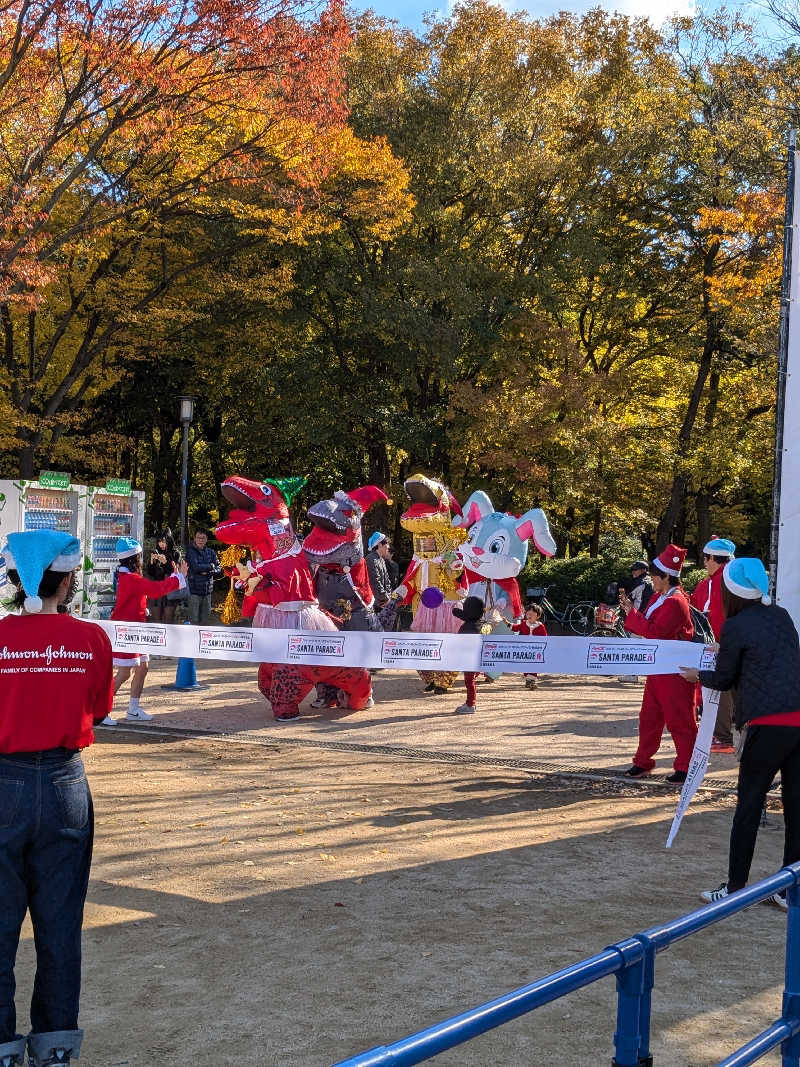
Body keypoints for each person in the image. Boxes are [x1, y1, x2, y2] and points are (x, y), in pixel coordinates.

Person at [0, 530, 114, 1067]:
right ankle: (56, 1046)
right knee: (60, 925)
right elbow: (100, 705)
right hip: (66, 784)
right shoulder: (91, 639)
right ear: (67, 581)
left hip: (2, 784)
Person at [678, 558, 800, 912]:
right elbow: (766, 659)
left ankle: (735, 887)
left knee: (748, 804)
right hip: (798, 720)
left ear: (730, 591)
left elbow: (724, 678)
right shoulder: (781, 617)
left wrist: (697, 675)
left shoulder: (735, 625)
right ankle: (788, 886)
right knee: (795, 806)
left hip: (766, 724)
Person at [619, 544, 696, 784]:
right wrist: (632, 612)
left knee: (679, 719)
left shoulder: (675, 602)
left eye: (654, 575)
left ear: (666, 576)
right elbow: (652, 628)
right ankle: (643, 761)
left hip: (674, 670)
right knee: (649, 717)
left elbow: (656, 632)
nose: (650, 579)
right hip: (660, 666)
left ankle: (685, 765)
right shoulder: (662, 596)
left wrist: (632, 614)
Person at [104, 537, 188, 724]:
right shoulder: (131, 579)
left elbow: (142, 594)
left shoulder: (128, 577)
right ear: (134, 558)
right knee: (125, 672)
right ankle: (102, 710)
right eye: (140, 556)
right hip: (127, 631)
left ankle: (133, 709)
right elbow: (155, 590)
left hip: (136, 629)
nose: (142, 560)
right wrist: (178, 578)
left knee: (142, 668)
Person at [690, 536, 736, 752]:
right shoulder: (738, 579)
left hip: (717, 644)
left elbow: (697, 611)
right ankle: (733, 735)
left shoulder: (710, 584)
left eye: (706, 559)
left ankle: (722, 737)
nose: (705, 563)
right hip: (742, 642)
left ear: (713, 558)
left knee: (720, 689)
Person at [452, 596, 484, 715]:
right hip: (477, 660)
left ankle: (471, 704)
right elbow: (463, 615)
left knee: (469, 681)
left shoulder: (469, 627)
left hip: (469, 659)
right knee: (472, 681)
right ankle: (471, 702)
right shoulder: (478, 623)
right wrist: (455, 610)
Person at [145, 529, 180, 623]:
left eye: (164, 542)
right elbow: (150, 573)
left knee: (168, 618)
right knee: (156, 618)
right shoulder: (156, 552)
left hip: (170, 589)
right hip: (157, 588)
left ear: (169, 541)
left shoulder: (175, 553)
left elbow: (176, 572)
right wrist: (152, 561)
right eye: (160, 541)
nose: (162, 544)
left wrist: (165, 562)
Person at [185, 529, 219, 626]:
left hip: (207, 590)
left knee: (205, 620)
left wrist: (209, 572)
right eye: (198, 538)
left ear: (206, 539)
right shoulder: (191, 552)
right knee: (193, 620)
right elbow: (195, 567)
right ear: (194, 539)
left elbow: (219, 568)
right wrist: (211, 566)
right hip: (194, 590)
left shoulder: (211, 552)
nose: (200, 540)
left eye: (203, 538)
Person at [512, 603, 547, 689]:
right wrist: (507, 622)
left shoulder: (540, 626)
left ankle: (532, 680)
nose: (529, 615)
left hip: (536, 650)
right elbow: (515, 628)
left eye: (532, 613)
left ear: (538, 616)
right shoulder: (524, 624)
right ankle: (528, 680)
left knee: (534, 664)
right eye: (528, 613)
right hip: (525, 649)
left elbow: (545, 638)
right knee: (525, 664)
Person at [365, 531, 393, 609]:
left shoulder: (381, 560)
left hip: (383, 603)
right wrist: (386, 599)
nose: (388, 547)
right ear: (380, 544)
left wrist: (388, 597)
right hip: (375, 604)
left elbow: (387, 581)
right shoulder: (370, 559)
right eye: (387, 544)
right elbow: (375, 582)